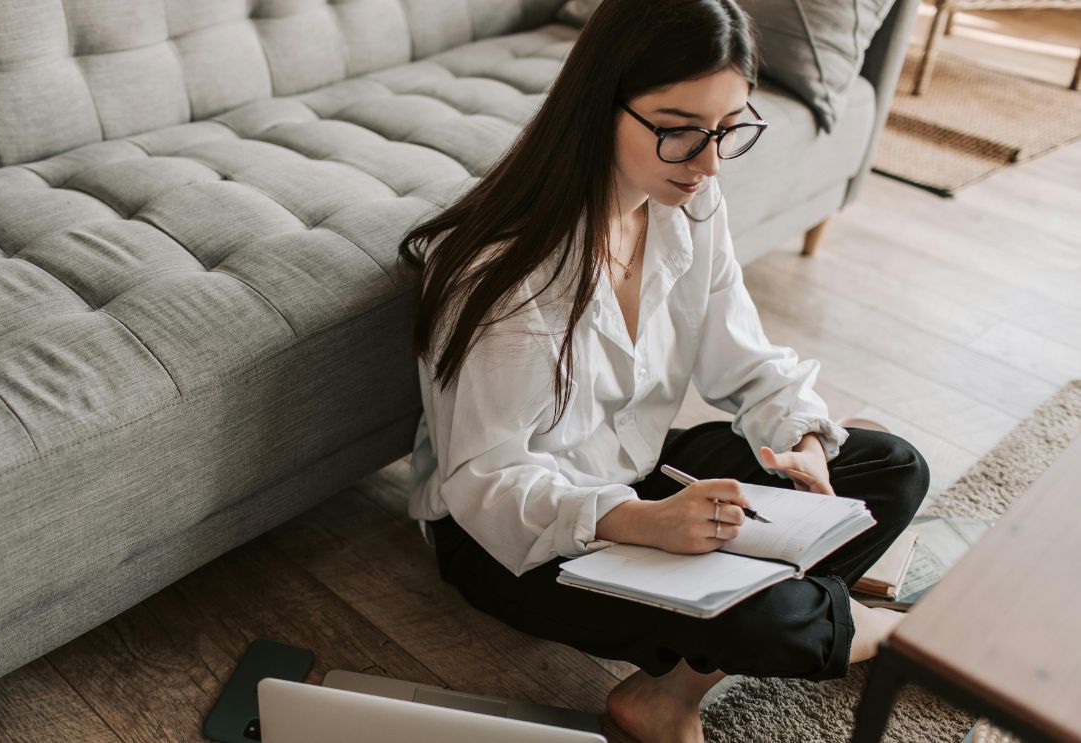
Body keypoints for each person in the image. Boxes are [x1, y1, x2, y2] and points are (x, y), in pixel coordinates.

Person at [395, 1, 930, 741]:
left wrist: (799, 440)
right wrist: (644, 523)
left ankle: (674, 685)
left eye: (726, 129)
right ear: (599, 103)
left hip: (640, 472)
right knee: (782, 624)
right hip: (518, 537)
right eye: (678, 129)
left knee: (892, 469)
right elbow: (485, 480)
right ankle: (868, 623)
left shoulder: (688, 204)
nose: (708, 162)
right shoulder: (504, 270)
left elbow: (742, 357)